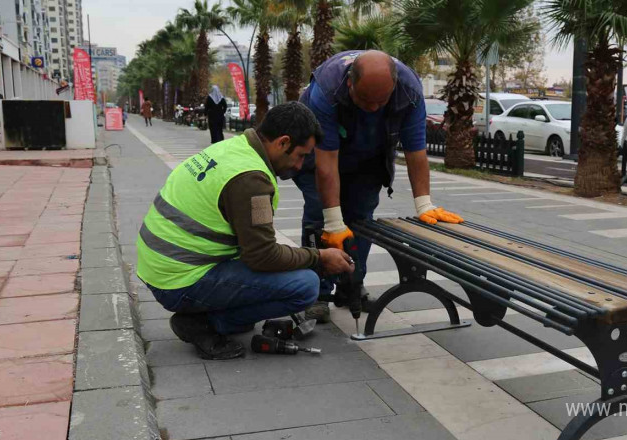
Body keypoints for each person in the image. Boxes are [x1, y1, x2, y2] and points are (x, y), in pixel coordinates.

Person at [136, 102, 355, 360]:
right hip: (179, 279)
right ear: (283, 142)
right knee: (305, 285)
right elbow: (262, 256)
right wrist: (319, 258)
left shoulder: (233, 148)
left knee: (287, 272)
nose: (300, 166)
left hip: (161, 266)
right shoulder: (252, 179)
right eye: (301, 155)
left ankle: (215, 314)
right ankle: (205, 324)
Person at [295, 50, 463, 322]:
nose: (373, 108)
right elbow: (326, 164)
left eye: (380, 102)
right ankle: (317, 293)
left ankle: (352, 286)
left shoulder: (409, 92)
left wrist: (424, 204)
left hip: (368, 157)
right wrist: (334, 221)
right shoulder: (327, 90)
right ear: (350, 83)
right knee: (319, 217)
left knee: (362, 218)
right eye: (364, 100)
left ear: (393, 87)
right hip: (320, 156)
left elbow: (416, 152)